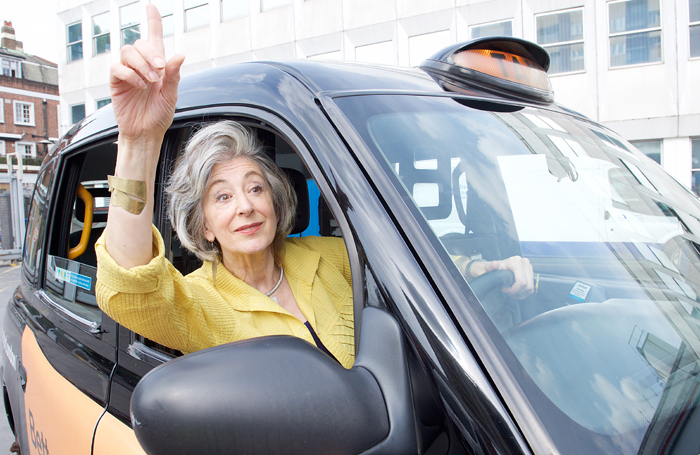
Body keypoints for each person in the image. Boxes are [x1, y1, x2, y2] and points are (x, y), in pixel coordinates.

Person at [95, 5, 534, 369]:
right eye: (223, 197)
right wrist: (138, 142)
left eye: (255, 188)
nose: (245, 206)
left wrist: (479, 268)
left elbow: (403, 267)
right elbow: (131, 288)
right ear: (204, 225)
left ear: (275, 199)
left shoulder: (324, 256)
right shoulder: (198, 303)